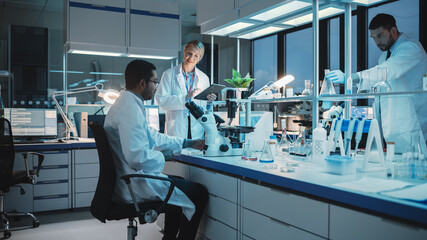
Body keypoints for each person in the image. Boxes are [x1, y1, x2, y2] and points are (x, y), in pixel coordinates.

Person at [104, 60, 208, 240]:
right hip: (134, 183)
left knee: (179, 184)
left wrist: (187, 142)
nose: (156, 87)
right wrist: (163, 156)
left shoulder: (127, 103)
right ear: (143, 83)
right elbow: (137, 157)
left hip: (129, 179)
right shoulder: (129, 109)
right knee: (199, 193)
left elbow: (152, 136)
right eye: (155, 82)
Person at [326, 13, 427, 153]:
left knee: (413, 169)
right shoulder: (384, 57)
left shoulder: (410, 48)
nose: (377, 42)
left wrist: (350, 78)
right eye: (373, 38)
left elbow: (388, 70)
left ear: (393, 30)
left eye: (380, 36)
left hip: (414, 126)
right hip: (392, 127)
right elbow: (378, 85)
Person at [155, 40, 216, 139]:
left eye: (196, 56)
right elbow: (161, 101)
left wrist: (209, 102)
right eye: (189, 53)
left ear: (200, 58)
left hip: (197, 129)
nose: (191, 58)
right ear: (184, 51)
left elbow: (204, 108)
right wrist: (186, 97)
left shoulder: (204, 78)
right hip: (176, 129)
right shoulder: (169, 74)